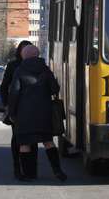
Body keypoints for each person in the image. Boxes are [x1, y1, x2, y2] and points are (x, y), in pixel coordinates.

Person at [8, 45, 67, 181]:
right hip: (44, 113)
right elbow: (54, 89)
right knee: (48, 142)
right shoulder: (45, 69)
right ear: (37, 55)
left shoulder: (20, 70)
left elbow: (14, 93)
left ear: (24, 56)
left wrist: (12, 113)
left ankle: (28, 174)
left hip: (24, 114)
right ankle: (57, 171)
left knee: (24, 144)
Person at [0, 40, 35, 180]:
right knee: (17, 139)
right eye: (24, 49)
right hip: (16, 108)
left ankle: (30, 169)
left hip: (32, 109)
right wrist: (6, 105)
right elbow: (4, 87)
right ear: (20, 51)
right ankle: (17, 167)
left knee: (32, 138)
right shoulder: (13, 65)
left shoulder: (37, 65)